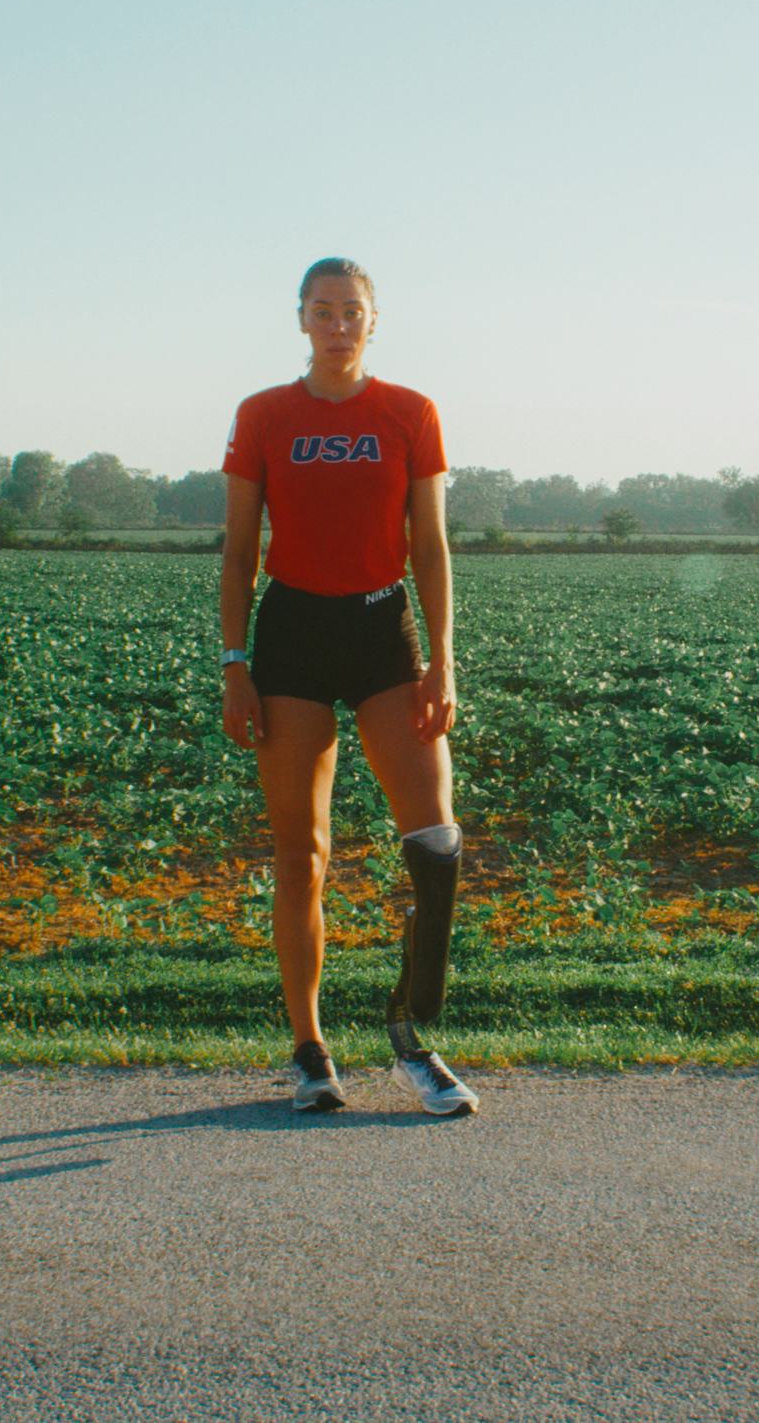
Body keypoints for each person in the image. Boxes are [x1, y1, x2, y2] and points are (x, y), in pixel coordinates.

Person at [218, 258, 477, 1117]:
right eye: (322, 312)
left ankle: (412, 1032)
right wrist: (233, 663)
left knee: (436, 848)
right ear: (300, 320)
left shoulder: (411, 413)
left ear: (374, 321)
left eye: (351, 312)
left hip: (383, 633)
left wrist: (442, 657)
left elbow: (431, 544)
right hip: (291, 636)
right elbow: (238, 548)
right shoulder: (263, 414)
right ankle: (310, 1051)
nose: (337, 326)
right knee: (304, 854)